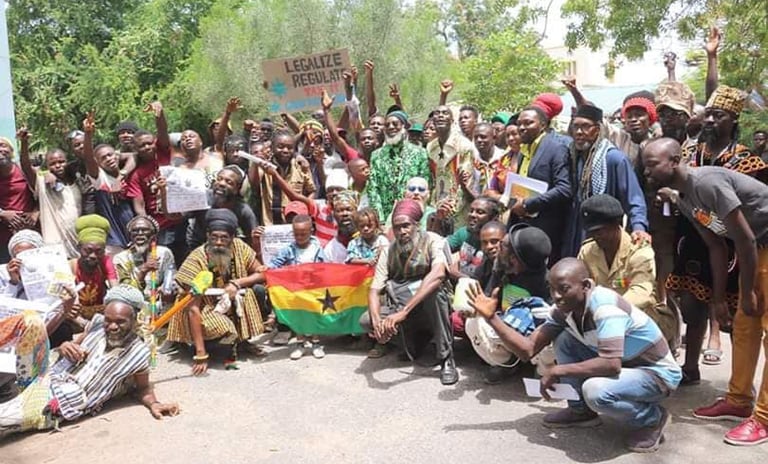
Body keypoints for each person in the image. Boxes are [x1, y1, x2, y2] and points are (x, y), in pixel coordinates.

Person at [467, 258, 681, 453]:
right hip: (626, 366)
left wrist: (558, 369)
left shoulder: (605, 307)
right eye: (552, 289)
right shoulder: (564, 309)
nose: (556, 296)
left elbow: (611, 365)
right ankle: (580, 411)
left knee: (595, 391)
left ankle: (651, 419)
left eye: (564, 289)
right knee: (564, 339)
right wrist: (492, 318)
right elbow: (528, 350)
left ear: (586, 285)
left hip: (656, 375)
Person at [642, 137, 768, 446]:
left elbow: (746, 240)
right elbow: (716, 245)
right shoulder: (684, 197)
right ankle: (738, 399)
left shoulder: (708, 182)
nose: (646, 171)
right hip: (754, 249)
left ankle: (764, 418)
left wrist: (749, 288)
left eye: (652, 164)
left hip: (761, 245)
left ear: (674, 161)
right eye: (644, 164)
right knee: (743, 325)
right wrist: (717, 299)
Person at [667, 86, 768, 372]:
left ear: (733, 121)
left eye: (719, 115)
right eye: (708, 114)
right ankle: (690, 368)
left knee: (740, 313)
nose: (710, 121)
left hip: (739, 243)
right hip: (696, 236)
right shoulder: (688, 153)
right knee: (691, 305)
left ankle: (739, 382)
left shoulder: (747, 159)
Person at [0, 285, 180, 437]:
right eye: (108, 320)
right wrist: (65, 346)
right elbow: (67, 347)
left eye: (120, 322)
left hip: (56, 402)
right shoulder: (96, 325)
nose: (112, 327)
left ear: (134, 320)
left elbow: (142, 388)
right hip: (42, 377)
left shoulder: (139, 353)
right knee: (31, 320)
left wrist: (155, 404)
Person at [361, 199, 457, 385]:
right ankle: (415, 341)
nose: (402, 232)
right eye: (397, 228)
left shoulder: (433, 241)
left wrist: (403, 312)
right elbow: (374, 290)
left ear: (417, 225)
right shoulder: (389, 251)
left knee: (435, 293)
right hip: (402, 306)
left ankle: (446, 358)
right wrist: (377, 322)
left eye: (406, 226)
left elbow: (437, 274)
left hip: (430, 306)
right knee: (366, 321)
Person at [167, 209, 265, 374]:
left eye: (224, 238)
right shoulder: (196, 258)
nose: (218, 243)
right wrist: (200, 354)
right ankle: (202, 346)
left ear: (233, 238)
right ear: (207, 236)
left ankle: (241, 341)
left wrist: (237, 283)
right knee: (224, 329)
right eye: (214, 237)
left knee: (256, 290)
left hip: (230, 299)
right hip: (203, 307)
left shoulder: (239, 247)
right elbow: (193, 309)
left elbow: (262, 272)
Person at [577, 195, 679, 348]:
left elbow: (641, 293)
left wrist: (607, 312)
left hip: (641, 319)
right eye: (592, 231)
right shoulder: (588, 251)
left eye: (600, 230)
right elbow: (581, 287)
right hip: (600, 321)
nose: (596, 236)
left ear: (616, 224)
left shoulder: (639, 250)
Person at [562, 104, 649, 258]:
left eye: (585, 127)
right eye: (576, 127)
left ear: (597, 129)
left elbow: (634, 198)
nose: (579, 132)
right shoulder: (574, 156)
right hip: (577, 227)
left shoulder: (614, 159)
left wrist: (639, 226)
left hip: (604, 231)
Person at [507, 106, 572, 262]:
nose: (522, 128)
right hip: (523, 225)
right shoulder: (524, 150)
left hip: (546, 229)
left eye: (528, 123)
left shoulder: (556, 148)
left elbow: (564, 189)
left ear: (543, 125)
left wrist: (529, 204)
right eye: (519, 123)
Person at [125, 102, 186, 264]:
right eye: (142, 145)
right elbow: (139, 205)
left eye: (149, 143)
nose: (147, 147)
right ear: (136, 149)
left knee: (185, 260)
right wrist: (147, 227)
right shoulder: (136, 175)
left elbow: (162, 131)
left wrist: (159, 114)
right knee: (164, 263)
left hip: (182, 220)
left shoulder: (163, 154)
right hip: (161, 226)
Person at [17, 129, 85, 258]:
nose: (58, 166)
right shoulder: (43, 184)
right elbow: (26, 166)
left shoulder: (76, 183)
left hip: (77, 242)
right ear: (47, 166)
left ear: (67, 162)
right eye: (53, 164)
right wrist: (24, 142)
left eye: (61, 162)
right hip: (55, 246)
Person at [268, 214, 327, 360]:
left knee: (313, 316)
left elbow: (325, 267)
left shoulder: (318, 248)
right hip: (296, 289)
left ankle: (315, 343)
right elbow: (275, 264)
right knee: (299, 317)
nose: (300, 237)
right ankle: (300, 344)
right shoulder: (288, 249)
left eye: (303, 234)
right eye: (296, 234)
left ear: (311, 231)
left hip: (314, 289)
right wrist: (267, 269)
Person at [81, 112, 134, 255]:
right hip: (114, 242)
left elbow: (134, 157)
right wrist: (88, 134)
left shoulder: (128, 173)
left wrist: (120, 177)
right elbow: (88, 158)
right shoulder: (100, 178)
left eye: (111, 154)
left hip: (135, 236)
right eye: (103, 158)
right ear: (98, 163)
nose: (109, 159)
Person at [367, 109, 431, 221]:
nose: (391, 127)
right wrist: (380, 220)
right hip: (385, 217)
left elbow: (425, 185)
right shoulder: (376, 155)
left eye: (395, 124)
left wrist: (418, 213)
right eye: (387, 125)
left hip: (411, 216)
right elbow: (373, 189)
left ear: (404, 126)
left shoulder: (420, 153)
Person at [248, 130, 316, 226]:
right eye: (280, 147)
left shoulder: (301, 166)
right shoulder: (265, 165)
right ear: (272, 148)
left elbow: (311, 190)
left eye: (289, 148)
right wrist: (256, 163)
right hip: (270, 225)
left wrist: (307, 207)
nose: (285, 151)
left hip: (296, 226)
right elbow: (254, 184)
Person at [426, 105, 478, 229]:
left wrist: (450, 210)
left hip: (458, 211)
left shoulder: (465, 146)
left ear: (452, 120)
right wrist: (435, 208)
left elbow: (465, 182)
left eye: (445, 113)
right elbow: (433, 180)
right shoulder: (431, 147)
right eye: (437, 113)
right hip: (436, 208)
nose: (440, 116)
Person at [188, 165, 258, 250]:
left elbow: (252, 237)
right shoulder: (202, 198)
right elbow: (176, 217)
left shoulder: (243, 210)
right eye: (219, 179)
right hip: (196, 248)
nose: (221, 183)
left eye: (229, 182)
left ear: (238, 189)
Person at [113, 215, 175, 303]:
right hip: (133, 304)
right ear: (130, 236)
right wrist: (143, 271)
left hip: (159, 303)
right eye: (135, 231)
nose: (140, 233)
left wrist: (166, 288)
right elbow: (125, 292)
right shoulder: (121, 258)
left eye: (145, 230)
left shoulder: (164, 253)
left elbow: (170, 278)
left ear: (153, 234)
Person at [70, 215, 118, 320]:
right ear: (79, 248)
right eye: (88, 250)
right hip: (77, 315)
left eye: (99, 251)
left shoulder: (105, 262)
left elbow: (115, 289)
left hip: (99, 314)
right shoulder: (71, 266)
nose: (93, 256)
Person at [0, 136, 38, 263]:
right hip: (3, 241)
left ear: (11, 151)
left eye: (3, 145)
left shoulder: (24, 172)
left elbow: (42, 196)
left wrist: (35, 213)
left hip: (29, 237)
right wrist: (3, 213)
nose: (0, 150)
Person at [446, 197, 500, 278]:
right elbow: (440, 248)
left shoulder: (497, 244)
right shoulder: (463, 233)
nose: (473, 215)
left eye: (480, 212)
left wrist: (457, 275)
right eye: (471, 211)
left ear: (493, 218)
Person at [322, 190, 359, 263]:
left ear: (356, 211)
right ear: (334, 215)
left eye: (349, 209)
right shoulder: (330, 250)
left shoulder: (369, 242)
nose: (345, 214)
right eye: (340, 210)